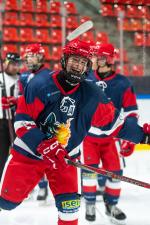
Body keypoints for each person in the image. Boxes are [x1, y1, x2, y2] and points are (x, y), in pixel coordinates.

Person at [0, 39, 149, 225]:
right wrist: (43, 143)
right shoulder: (41, 84)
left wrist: (144, 136)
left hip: (65, 159)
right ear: (64, 60)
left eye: (82, 62)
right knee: (7, 203)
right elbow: (23, 122)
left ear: (87, 66)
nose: (77, 66)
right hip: (29, 156)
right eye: (74, 60)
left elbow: (116, 124)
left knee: (69, 212)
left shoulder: (92, 95)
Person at [81, 43, 139, 224]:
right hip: (88, 137)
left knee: (115, 173)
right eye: (95, 56)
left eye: (99, 57)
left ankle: (111, 205)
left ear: (108, 59)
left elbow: (131, 112)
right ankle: (90, 203)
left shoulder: (123, 83)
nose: (95, 59)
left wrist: (129, 137)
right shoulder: (86, 77)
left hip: (111, 138)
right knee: (89, 172)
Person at [18, 43, 50, 203]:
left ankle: (43, 187)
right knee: (26, 156)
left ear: (40, 56)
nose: (28, 59)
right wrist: (13, 100)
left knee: (40, 155)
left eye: (32, 55)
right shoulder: (23, 76)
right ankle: (30, 185)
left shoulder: (47, 75)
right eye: (27, 56)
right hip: (25, 122)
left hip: (42, 122)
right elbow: (22, 98)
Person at [0, 52, 21, 181]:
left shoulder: (21, 79)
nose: (15, 67)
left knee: (18, 153)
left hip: (16, 120)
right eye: (12, 64)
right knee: (1, 153)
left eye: (17, 64)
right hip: (2, 121)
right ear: (6, 64)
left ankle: (16, 180)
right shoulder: (1, 78)